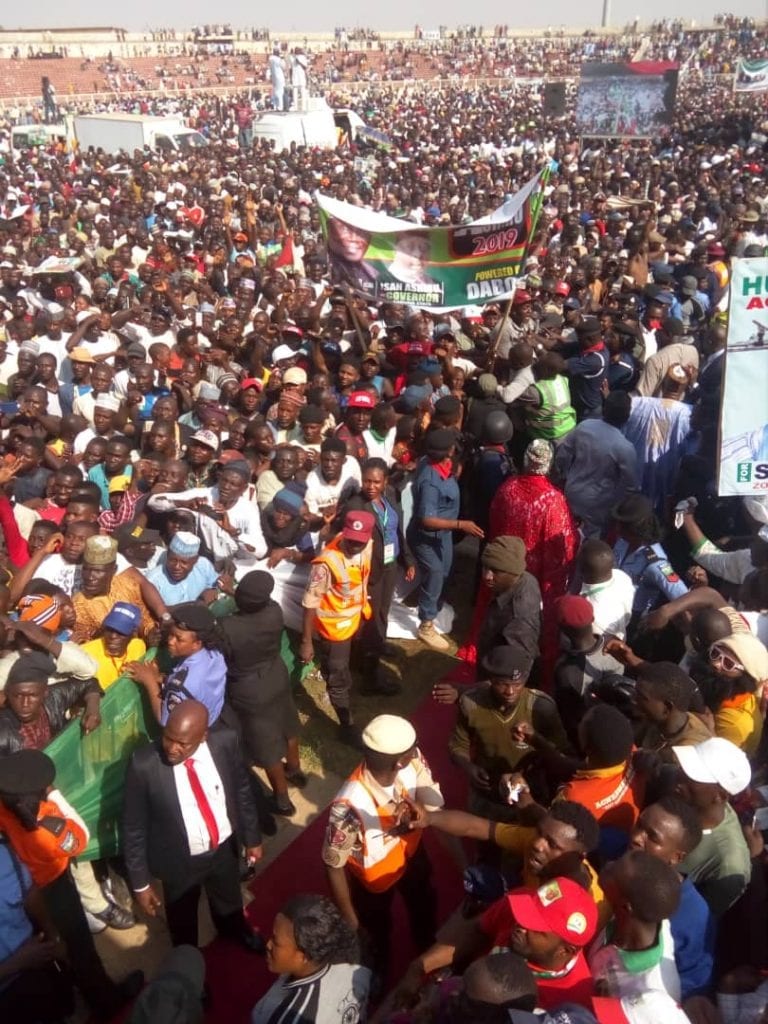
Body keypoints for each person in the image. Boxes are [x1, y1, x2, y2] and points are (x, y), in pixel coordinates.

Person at [0, 749, 143, 1019]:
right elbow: (81, 838)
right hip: (55, 892)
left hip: (18, 894)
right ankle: (106, 1001)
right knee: (80, 948)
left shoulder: (4, 811)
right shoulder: (50, 824)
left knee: (44, 949)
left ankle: (66, 997)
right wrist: (56, 795)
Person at [122, 699, 265, 950]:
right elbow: (134, 828)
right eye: (168, 737)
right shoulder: (144, 765)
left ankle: (234, 931)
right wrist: (141, 883)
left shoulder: (225, 742)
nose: (172, 748)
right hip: (179, 863)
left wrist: (252, 837)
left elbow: (241, 789)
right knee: (182, 922)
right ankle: (188, 967)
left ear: (203, 736)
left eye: (182, 743)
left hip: (223, 848)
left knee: (228, 899)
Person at [322, 714, 442, 981]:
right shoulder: (349, 805)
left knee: (423, 903)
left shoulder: (409, 763)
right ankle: (378, 968)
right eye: (411, 751)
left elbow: (435, 804)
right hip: (373, 881)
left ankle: (428, 948)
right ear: (399, 760)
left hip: (412, 855)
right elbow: (333, 865)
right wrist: (349, 917)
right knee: (376, 929)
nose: (416, 752)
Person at [397, 875, 598, 1012]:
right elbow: (477, 929)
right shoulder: (520, 903)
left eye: (534, 926)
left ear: (565, 950)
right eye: (527, 913)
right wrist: (419, 967)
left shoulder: (571, 1003)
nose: (519, 924)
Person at [220, 571, 304, 817]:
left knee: (266, 746)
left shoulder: (228, 627)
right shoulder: (274, 611)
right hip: (277, 676)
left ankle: (282, 801)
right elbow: (255, 603)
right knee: (288, 724)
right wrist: (233, 592)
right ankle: (295, 769)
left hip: (250, 691)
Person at [449, 644, 568, 817]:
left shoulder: (541, 707)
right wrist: (469, 768)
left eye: (517, 684)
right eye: (502, 684)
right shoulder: (471, 704)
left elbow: (562, 751)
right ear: (490, 679)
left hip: (531, 788)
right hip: (488, 788)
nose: (510, 691)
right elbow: (458, 745)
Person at [630, 796, 715, 1002]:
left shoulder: (694, 914)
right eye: (639, 825)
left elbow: (691, 983)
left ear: (676, 857)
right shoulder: (615, 855)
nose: (636, 838)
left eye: (652, 837)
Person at [300, 510, 374, 744]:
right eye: (350, 540)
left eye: (359, 542)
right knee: (338, 675)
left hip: (355, 618)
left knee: (343, 669)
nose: (354, 546)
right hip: (334, 629)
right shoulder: (326, 563)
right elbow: (309, 602)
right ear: (344, 533)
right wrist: (307, 641)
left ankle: (340, 685)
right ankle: (346, 725)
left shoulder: (367, 544)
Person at [408, 427, 483, 651]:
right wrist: (461, 525)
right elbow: (427, 519)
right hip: (427, 537)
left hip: (443, 536)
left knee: (446, 571)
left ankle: (434, 606)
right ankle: (426, 624)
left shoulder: (437, 465)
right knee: (435, 573)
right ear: (447, 452)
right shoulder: (430, 481)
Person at [345, 457, 415, 694]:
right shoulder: (356, 505)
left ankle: (374, 649)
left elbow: (397, 531)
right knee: (371, 620)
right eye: (367, 481)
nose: (371, 486)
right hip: (369, 571)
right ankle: (369, 674)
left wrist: (408, 560)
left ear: (385, 481)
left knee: (383, 612)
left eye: (376, 482)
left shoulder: (391, 497)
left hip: (389, 565)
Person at [251, 894, 371, 1024]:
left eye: (276, 942)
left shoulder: (291, 1018)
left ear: (305, 956)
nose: (268, 945)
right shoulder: (353, 963)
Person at [673, 737, 752, 917]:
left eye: (692, 776)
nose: (679, 777)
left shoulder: (729, 865)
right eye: (683, 767)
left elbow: (691, 919)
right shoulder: (683, 796)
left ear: (721, 796)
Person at [589, 849, 682, 1001]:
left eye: (613, 872)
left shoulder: (652, 993)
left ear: (626, 906)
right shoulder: (640, 912)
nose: (608, 865)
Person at [553, 392, 639, 539]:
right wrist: (615, 506)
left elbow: (563, 455)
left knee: (562, 532)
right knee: (589, 544)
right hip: (598, 505)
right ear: (627, 416)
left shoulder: (584, 427)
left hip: (572, 491)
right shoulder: (625, 448)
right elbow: (630, 486)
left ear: (604, 409)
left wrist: (563, 476)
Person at [126, 602, 226, 725]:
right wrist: (161, 679)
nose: (170, 641)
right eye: (171, 634)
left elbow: (165, 720)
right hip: (213, 716)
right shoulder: (215, 653)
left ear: (197, 644)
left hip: (193, 732)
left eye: (179, 639)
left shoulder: (182, 685)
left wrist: (149, 681)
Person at [0, 651, 103, 755]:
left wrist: (92, 709)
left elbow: (90, 683)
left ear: (45, 693)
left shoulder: (54, 699)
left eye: (33, 696)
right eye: (17, 696)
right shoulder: (3, 732)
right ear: (8, 694)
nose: (25, 703)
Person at [474, 535, 542, 667]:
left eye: (496, 571)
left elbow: (517, 668)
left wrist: (481, 686)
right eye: (485, 567)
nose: (487, 576)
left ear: (513, 572)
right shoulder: (525, 578)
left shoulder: (519, 618)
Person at [80, 601, 147, 690]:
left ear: (133, 633)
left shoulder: (138, 647)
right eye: (109, 629)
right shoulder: (85, 655)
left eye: (120, 632)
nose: (113, 636)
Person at [144, 531, 221, 606]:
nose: (177, 567)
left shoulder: (203, 565)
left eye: (184, 562)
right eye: (172, 560)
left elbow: (216, 587)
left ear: (195, 560)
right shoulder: (153, 580)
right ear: (167, 555)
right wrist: (197, 603)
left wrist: (214, 591)